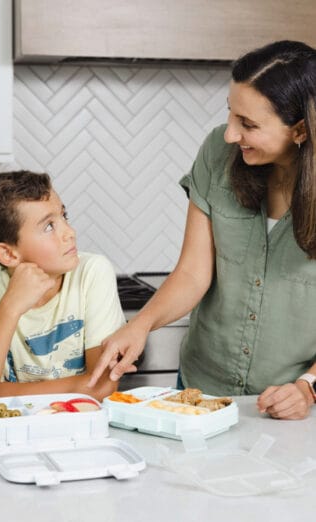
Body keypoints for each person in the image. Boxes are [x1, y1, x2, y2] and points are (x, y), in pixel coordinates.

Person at [89, 40, 316, 420]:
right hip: (201, 390)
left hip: (290, 405)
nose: (229, 134)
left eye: (248, 124)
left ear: (300, 130)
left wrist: (308, 387)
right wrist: (140, 325)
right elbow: (194, 272)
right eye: (231, 114)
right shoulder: (219, 153)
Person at [0, 170, 125, 414]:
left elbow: (102, 385)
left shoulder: (92, 272)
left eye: (64, 215)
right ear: (8, 254)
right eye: (49, 226)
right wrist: (10, 307)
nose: (69, 232)